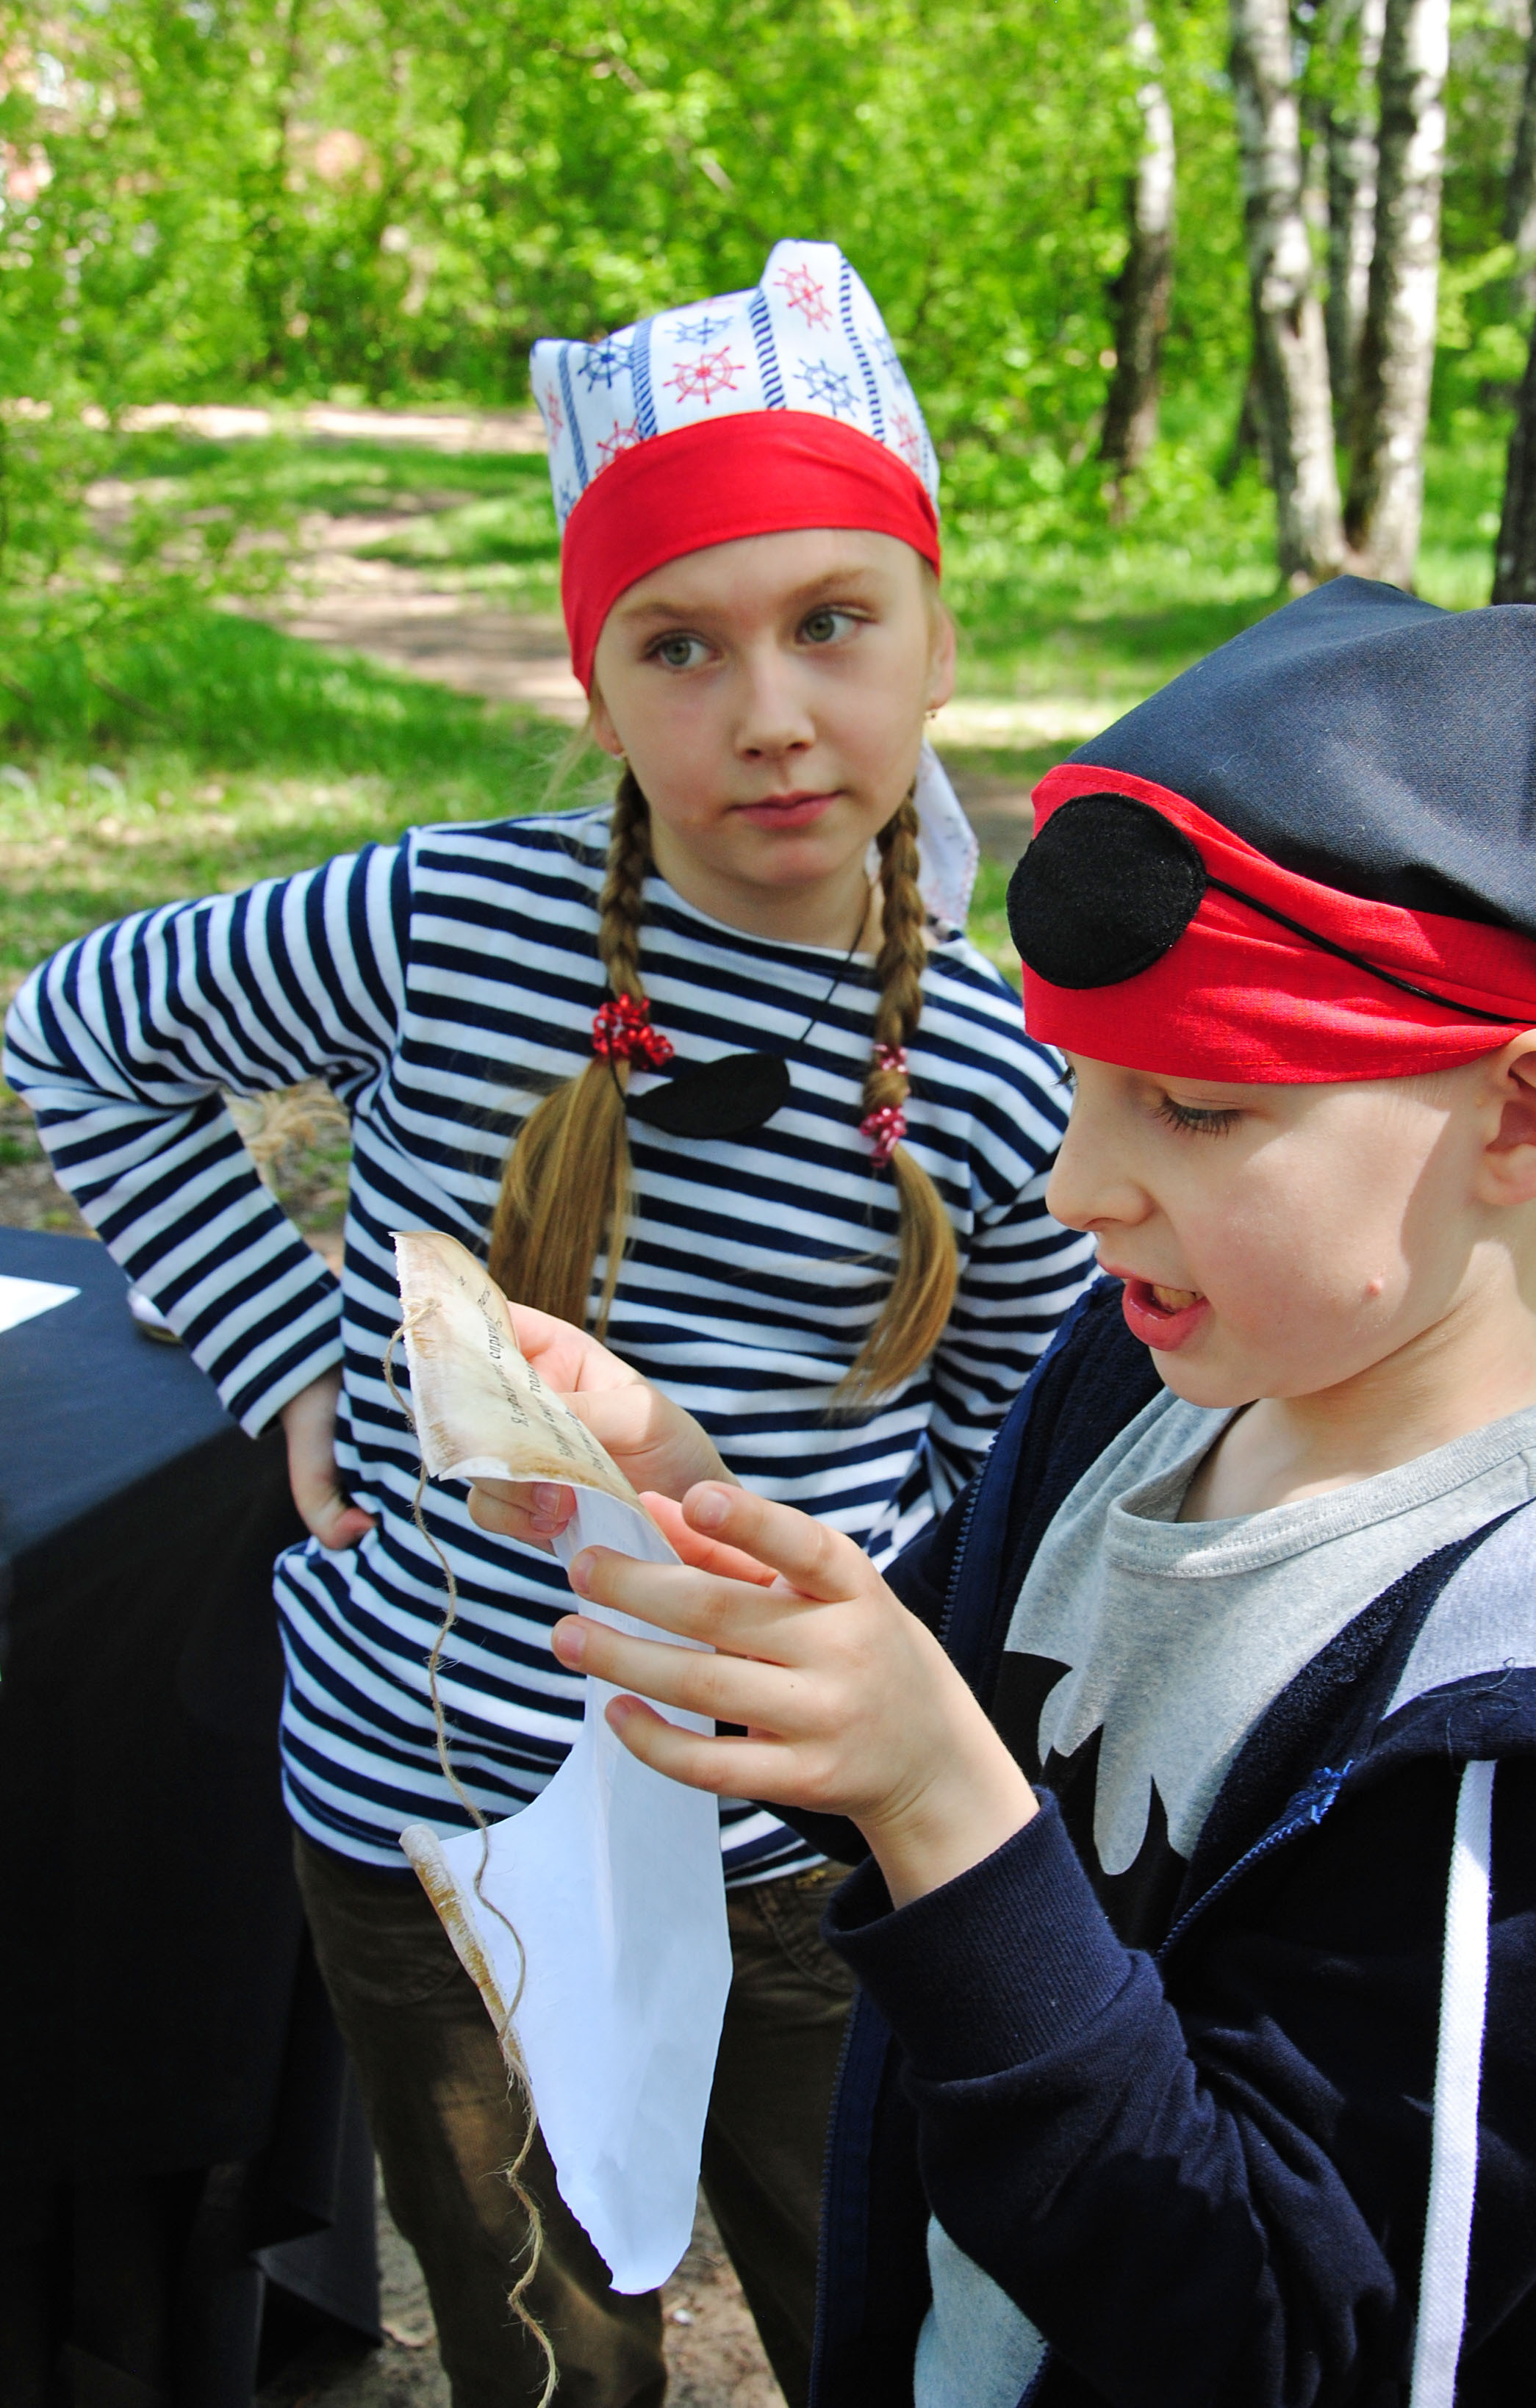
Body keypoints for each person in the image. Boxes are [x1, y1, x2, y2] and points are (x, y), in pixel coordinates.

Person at [1, 241, 1092, 2408]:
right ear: (593, 688)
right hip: (425, 1799)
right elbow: (78, 1033)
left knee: (851, 2287)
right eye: (682, 645)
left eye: (832, 624)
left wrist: (745, 1518)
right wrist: (291, 1358)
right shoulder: (441, 925)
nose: (769, 712)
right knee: (530, 2314)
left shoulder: (993, 1068)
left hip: (792, 1837)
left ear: (940, 640)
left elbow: (1033, 1463)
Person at [481, 579, 1536, 2407]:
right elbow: (940, 1715)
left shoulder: (1533, 1714)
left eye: (1194, 1109)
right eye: (1077, 1088)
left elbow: (1273, 2329)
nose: (1074, 1186)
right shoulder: (1135, 1384)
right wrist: (698, 1521)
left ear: (1524, 1121)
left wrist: (942, 1795)